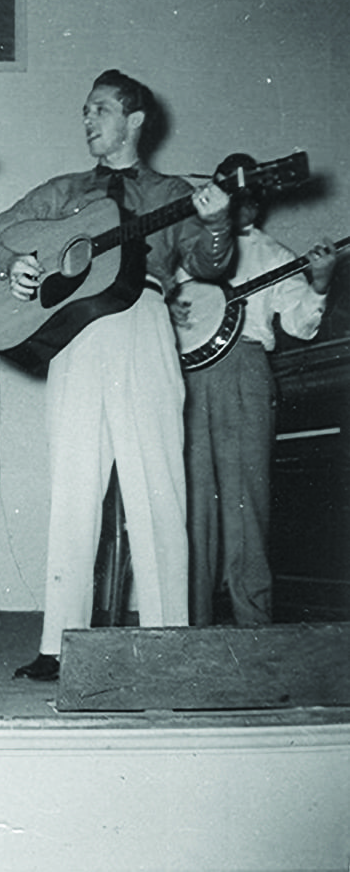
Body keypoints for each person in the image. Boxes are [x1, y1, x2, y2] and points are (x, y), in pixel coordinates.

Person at [0, 69, 235, 681]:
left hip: (142, 321)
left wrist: (217, 222)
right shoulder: (64, 191)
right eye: (85, 110)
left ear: (135, 120)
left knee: (157, 488)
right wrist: (16, 265)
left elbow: (207, 263)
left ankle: (168, 642)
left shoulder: (171, 192)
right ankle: (59, 646)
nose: (88, 120)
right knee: (73, 488)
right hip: (76, 337)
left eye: (102, 110)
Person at [170, 152, 336, 627]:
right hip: (188, 373)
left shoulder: (276, 256)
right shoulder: (189, 249)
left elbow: (303, 325)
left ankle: (253, 622)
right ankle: (190, 622)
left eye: (247, 196)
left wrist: (320, 283)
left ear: (258, 202)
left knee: (248, 501)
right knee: (192, 501)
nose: (239, 203)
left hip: (245, 368)